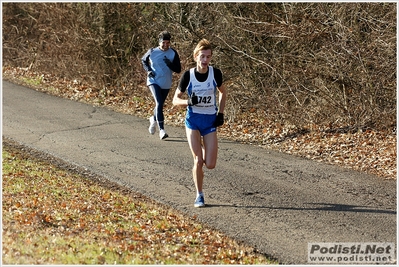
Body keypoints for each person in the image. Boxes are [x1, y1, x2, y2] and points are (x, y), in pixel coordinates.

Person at [172, 39, 227, 207]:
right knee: (198, 160)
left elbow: (223, 92)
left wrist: (221, 114)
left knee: (210, 164)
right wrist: (188, 102)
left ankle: (203, 149)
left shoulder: (215, 73)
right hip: (193, 121)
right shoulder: (188, 76)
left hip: (209, 120)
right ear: (196, 57)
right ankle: (199, 195)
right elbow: (175, 100)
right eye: (202, 56)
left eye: (208, 57)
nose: (205, 60)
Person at [141, 31, 181, 140]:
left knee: (160, 105)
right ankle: (162, 130)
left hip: (166, 82)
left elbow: (178, 69)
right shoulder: (152, 51)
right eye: (163, 42)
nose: (166, 45)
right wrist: (149, 70)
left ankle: (153, 120)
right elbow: (143, 60)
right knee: (158, 102)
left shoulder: (173, 53)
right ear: (159, 42)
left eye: (168, 43)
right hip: (153, 80)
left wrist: (170, 64)